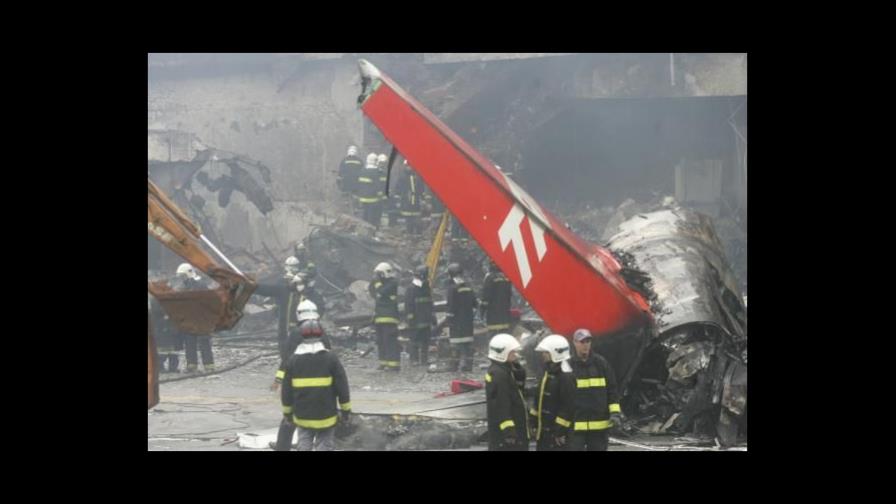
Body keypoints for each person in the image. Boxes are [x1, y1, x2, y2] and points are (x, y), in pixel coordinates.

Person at [280, 319, 351, 451]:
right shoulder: (331, 358)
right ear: (321, 335)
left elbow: (286, 391)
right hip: (326, 415)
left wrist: (287, 413)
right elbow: (342, 387)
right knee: (325, 444)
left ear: (302, 336)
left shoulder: (293, 360)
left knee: (304, 443)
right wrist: (346, 411)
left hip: (303, 416)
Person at [567, 328, 623, 451]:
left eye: (588, 341)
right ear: (574, 343)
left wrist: (615, 413)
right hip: (576, 427)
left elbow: (612, 391)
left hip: (599, 427)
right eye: (582, 342)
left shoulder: (601, 364)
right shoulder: (568, 366)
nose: (585, 345)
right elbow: (562, 396)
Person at [530, 335, 576, 451]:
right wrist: (533, 421)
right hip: (544, 433)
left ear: (557, 353)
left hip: (557, 437)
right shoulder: (547, 371)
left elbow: (568, 407)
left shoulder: (566, 376)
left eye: (546, 352)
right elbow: (538, 398)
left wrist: (559, 431)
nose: (543, 355)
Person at [485, 333, 529, 451]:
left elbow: (518, 390)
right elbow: (501, 404)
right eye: (512, 352)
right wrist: (509, 431)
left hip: (508, 433)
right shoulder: (500, 375)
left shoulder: (502, 370)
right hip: (507, 436)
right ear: (502, 353)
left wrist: (518, 370)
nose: (515, 354)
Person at [171, 263, 215, 373]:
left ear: (189, 273)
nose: (182, 278)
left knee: (204, 342)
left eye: (183, 275)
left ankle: (209, 366)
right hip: (190, 319)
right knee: (189, 342)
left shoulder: (200, 285)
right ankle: (192, 366)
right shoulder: (186, 284)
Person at [444, 262, 477, 372]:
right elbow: (475, 303)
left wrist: (449, 320)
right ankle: (467, 365)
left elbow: (450, 306)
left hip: (456, 322)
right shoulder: (468, 286)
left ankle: (456, 365)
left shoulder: (451, 288)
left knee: (457, 345)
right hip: (468, 321)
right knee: (467, 345)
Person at [369, 262, 400, 371]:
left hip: (390, 317)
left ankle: (393, 365)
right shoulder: (380, 283)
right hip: (379, 317)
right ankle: (383, 362)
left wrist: (377, 282)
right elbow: (372, 292)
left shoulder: (392, 283)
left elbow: (382, 291)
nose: (379, 276)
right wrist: (373, 280)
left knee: (390, 341)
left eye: (380, 274)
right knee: (381, 341)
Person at [404, 264, 434, 366]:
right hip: (416, 320)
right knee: (414, 340)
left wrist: (432, 316)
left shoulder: (426, 288)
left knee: (425, 340)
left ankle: (424, 360)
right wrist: (410, 318)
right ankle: (414, 359)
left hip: (425, 319)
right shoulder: (411, 289)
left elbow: (430, 303)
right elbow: (408, 305)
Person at [480, 262, 512, 337]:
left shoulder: (489, 277)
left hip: (493, 314)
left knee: (493, 336)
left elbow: (486, 296)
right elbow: (509, 295)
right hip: (505, 314)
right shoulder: (506, 277)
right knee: (504, 336)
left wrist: (482, 310)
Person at [396, 161, 423, 235]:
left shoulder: (417, 177)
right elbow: (398, 189)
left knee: (416, 217)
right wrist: (399, 200)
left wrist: (422, 199)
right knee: (408, 218)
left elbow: (421, 188)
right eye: (408, 166)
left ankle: (417, 233)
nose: (409, 168)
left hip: (416, 201)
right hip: (406, 201)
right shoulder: (402, 177)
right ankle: (409, 233)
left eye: (410, 166)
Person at [357, 153, 382, 227]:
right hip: (372, 197)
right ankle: (371, 228)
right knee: (372, 214)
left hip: (363, 197)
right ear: (375, 161)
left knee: (365, 212)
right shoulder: (376, 172)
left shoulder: (363, 170)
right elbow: (377, 185)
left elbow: (359, 183)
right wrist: (380, 195)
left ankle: (364, 227)